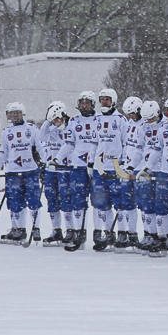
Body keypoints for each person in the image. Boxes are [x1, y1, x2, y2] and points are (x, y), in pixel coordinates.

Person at [0, 101, 43, 245]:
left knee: (34, 200)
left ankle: (36, 227)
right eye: (13, 113)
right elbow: (3, 152)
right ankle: (18, 229)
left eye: (18, 113)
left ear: (23, 114)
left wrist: (46, 163)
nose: (16, 115)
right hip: (13, 172)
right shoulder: (6, 132)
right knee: (15, 202)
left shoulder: (32, 129)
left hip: (30, 170)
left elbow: (40, 147)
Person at [89, 87, 126, 251]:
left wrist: (124, 164)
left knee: (118, 201)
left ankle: (123, 233)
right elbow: (94, 143)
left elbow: (126, 143)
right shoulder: (96, 119)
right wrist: (90, 163)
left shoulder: (120, 120)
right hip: (99, 167)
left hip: (116, 167)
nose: (104, 102)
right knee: (101, 203)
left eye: (107, 99)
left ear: (113, 101)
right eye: (102, 99)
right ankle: (106, 233)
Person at [132, 99, 168, 255]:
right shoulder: (143, 128)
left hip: (163, 169)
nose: (149, 122)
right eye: (147, 119)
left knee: (162, 205)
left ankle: (164, 237)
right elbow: (139, 149)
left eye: (152, 118)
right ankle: (150, 234)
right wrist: (132, 166)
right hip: (147, 169)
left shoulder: (167, 125)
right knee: (146, 204)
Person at [65, 90, 100, 251]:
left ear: (93, 104)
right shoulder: (74, 120)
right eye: (82, 103)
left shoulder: (100, 119)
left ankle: (101, 233)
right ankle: (79, 232)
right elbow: (69, 143)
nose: (84, 106)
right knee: (77, 199)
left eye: (87, 103)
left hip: (95, 166)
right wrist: (58, 158)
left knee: (99, 201)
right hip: (78, 166)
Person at [38, 100, 75, 247]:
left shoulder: (69, 129)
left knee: (66, 199)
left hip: (64, 169)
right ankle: (56, 230)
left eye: (58, 118)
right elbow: (41, 137)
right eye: (54, 119)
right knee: (52, 199)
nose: (56, 122)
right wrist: (47, 121)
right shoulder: (51, 130)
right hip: (50, 170)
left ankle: (70, 230)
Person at [113, 95, 144, 251]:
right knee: (126, 202)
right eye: (129, 114)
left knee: (144, 204)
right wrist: (123, 162)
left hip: (141, 169)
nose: (131, 116)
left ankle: (145, 235)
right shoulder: (129, 123)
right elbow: (125, 144)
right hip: (127, 167)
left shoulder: (145, 124)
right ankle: (127, 233)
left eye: (133, 113)